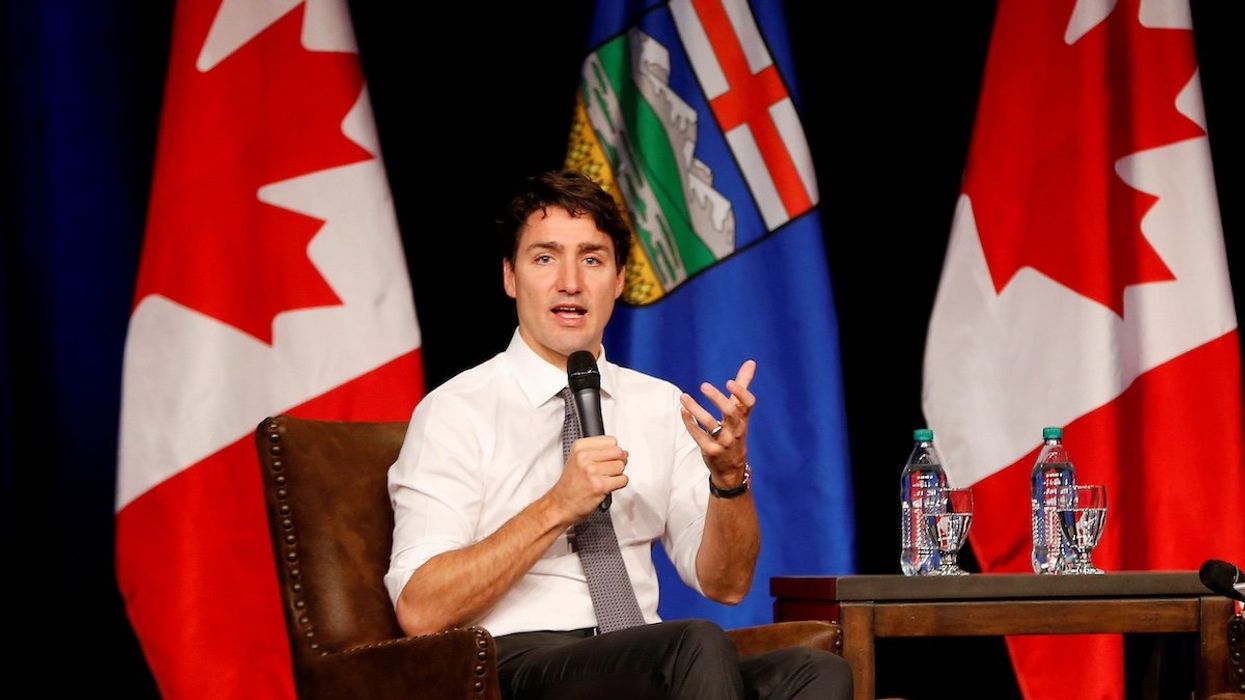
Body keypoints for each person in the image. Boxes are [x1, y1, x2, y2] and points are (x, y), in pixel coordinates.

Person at [384, 170, 851, 699]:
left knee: (817, 673)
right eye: (545, 258)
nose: (570, 282)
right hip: (511, 666)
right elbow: (420, 609)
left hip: (643, 659)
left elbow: (725, 584)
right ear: (511, 278)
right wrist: (558, 504)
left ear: (619, 280)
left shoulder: (658, 404)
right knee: (692, 645)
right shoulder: (455, 411)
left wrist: (728, 482)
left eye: (591, 259)